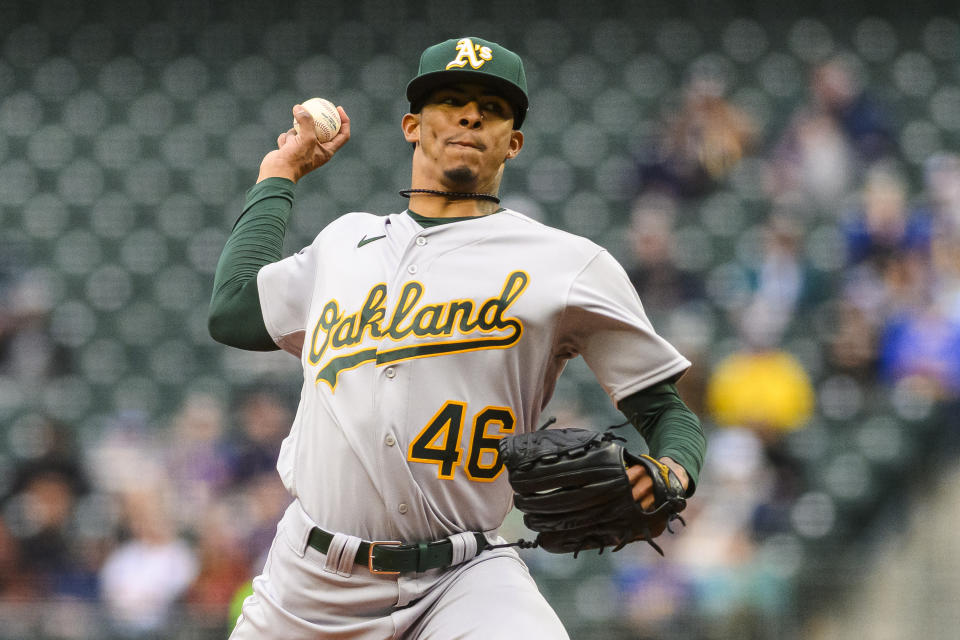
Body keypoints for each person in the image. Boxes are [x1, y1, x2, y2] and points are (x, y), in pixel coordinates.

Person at [208, 36, 706, 639]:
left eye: (492, 107)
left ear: (513, 142)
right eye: (450, 100)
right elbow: (234, 309)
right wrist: (278, 174)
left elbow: (664, 411)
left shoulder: (568, 265)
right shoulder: (344, 243)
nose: (470, 114)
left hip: (464, 577)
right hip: (309, 582)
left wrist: (673, 473)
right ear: (412, 126)